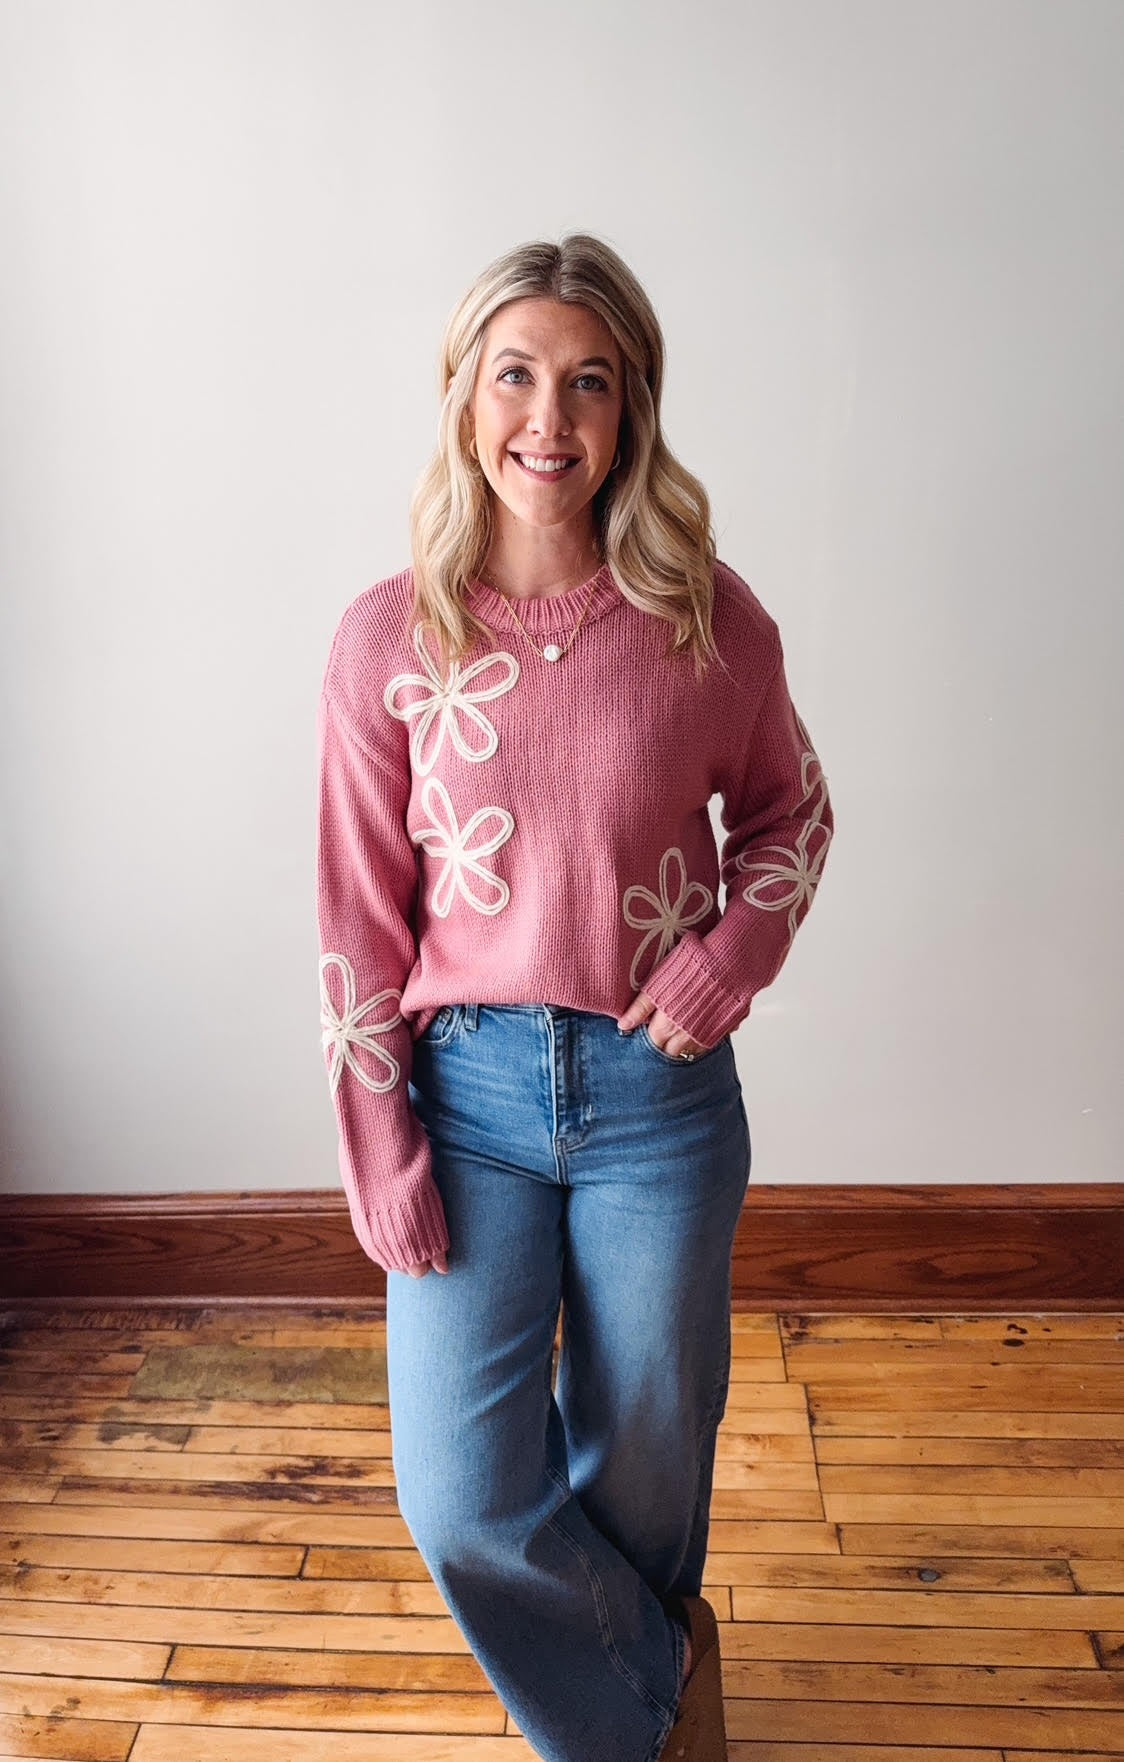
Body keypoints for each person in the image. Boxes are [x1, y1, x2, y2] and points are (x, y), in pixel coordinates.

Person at [316, 232, 834, 1762]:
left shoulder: (705, 621)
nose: (549, 417)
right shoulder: (388, 640)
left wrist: (729, 956)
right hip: (463, 1097)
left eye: (589, 382)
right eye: (517, 375)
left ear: (631, 410)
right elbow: (355, 914)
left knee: (645, 1472)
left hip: (657, 1098)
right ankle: (658, 1698)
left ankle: (620, 1723)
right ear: (466, 395)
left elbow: (795, 817)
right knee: (460, 1492)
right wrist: (378, 1140)